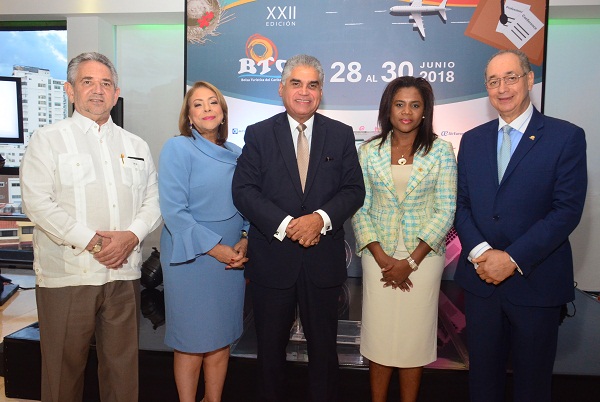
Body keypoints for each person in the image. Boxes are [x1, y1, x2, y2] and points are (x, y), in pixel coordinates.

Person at [20, 52, 161, 402]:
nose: (97, 91)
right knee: (62, 374)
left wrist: (131, 237)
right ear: (70, 90)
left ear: (116, 94)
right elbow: (38, 203)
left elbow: (154, 201)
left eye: (106, 84)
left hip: (123, 276)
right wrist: (94, 243)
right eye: (87, 82)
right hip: (68, 276)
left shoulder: (136, 145)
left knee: (122, 372)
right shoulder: (47, 139)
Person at [454, 49, 587, 402]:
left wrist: (510, 259)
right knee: (482, 382)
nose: (502, 88)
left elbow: (566, 211)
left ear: (529, 80)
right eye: (494, 81)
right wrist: (483, 253)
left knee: (532, 385)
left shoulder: (565, 137)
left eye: (511, 77)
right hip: (482, 284)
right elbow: (461, 204)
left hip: (536, 283)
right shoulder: (472, 139)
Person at [232, 54, 365, 402]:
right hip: (273, 262)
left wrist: (319, 220)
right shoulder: (259, 134)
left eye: (312, 85)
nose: (304, 92)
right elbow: (243, 191)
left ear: (321, 91)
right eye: (296, 83)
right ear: (281, 88)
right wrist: (288, 225)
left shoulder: (340, 134)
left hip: (322, 263)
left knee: (324, 354)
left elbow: (354, 190)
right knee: (270, 354)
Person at [351, 76, 457, 402]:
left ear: (425, 111)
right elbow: (358, 208)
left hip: (423, 260)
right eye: (399, 104)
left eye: (415, 104)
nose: (406, 112)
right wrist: (384, 259)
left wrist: (410, 262)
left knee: (413, 339)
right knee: (381, 337)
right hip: (377, 256)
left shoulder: (441, 151)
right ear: (388, 108)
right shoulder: (368, 151)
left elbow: (446, 209)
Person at [158, 81, 249, 402]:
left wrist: (245, 239)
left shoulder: (239, 153)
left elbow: (249, 201)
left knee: (221, 338)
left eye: (213, 103)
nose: (207, 109)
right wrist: (217, 249)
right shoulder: (177, 148)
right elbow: (174, 211)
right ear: (189, 115)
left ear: (223, 112)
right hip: (191, 257)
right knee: (191, 341)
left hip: (231, 260)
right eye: (198, 104)